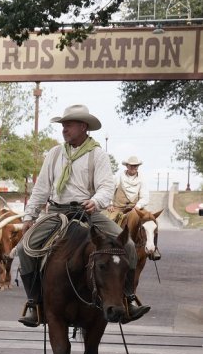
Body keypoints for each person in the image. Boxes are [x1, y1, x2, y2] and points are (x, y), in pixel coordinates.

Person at [16, 104, 150, 327]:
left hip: (89, 211)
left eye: (68, 125)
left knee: (126, 245)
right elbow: (41, 188)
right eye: (63, 125)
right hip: (58, 211)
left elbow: (106, 187)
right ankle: (34, 303)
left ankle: (128, 299)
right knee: (23, 248)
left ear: (83, 126)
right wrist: (29, 216)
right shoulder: (55, 153)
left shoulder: (98, 155)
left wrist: (95, 201)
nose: (64, 129)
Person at [107, 155, 149, 225]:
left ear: (138, 166)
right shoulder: (118, 177)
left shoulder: (142, 179)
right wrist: (110, 204)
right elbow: (110, 190)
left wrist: (137, 206)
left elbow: (145, 197)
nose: (133, 168)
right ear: (127, 166)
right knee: (109, 223)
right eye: (131, 166)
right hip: (118, 208)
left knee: (149, 220)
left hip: (135, 208)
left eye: (135, 166)